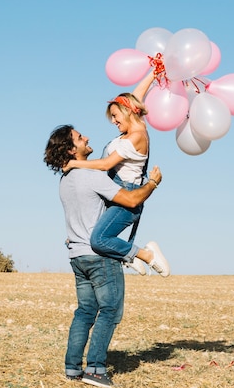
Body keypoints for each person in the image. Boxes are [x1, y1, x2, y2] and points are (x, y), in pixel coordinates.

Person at [44, 124, 168, 386]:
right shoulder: (92, 176)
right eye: (79, 138)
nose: (86, 137)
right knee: (110, 310)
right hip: (99, 255)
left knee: (85, 312)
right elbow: (131, 200)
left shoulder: (65, 181)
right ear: (70, 149)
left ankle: (72, 367)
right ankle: (96, 369)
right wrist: (153, 183)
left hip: (77, 257)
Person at [64, 72, 165, 276]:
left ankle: (147, 255)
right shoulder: (131, 129)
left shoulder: (137, 136)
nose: (113, 121)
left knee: (99, 239)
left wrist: (73, 163)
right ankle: (128, 257)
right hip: (113, 191)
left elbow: (106, 164)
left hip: (126, 193)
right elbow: (137, 95)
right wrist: (153, 73)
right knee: (87, 232)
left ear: (127, 112)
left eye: (115, 116)